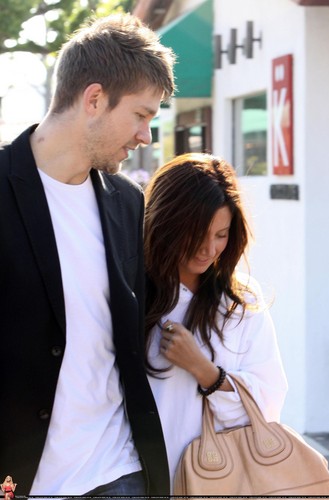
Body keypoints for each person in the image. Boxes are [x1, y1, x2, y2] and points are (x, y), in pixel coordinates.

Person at [0, 12, 175, 497]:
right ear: (94, 99)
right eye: (141, 115)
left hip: (121, 471)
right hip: (27, 480)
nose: (146, 137)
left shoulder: (126, 201)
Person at [144, 153, 288, 492]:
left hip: (221, 481)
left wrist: (204, 371)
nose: (209, 250)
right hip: (136, 478)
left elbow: (268, 401)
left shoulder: (241, 301)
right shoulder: (132, 293)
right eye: (196, 233)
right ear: (167, 222)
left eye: (221, 234)